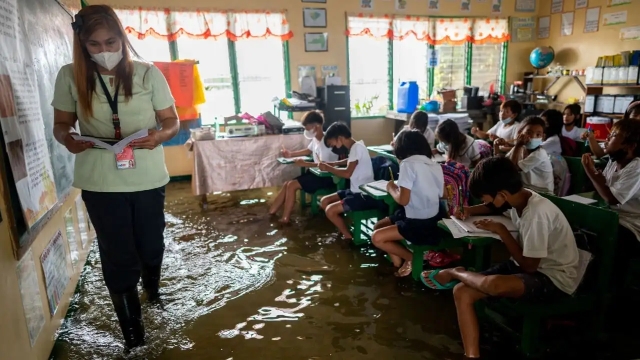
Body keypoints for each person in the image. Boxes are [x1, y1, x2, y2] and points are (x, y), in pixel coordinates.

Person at [51, 5, 179, 350]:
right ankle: (134, 340)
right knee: (118, 255)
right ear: (82, 45)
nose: (105, 50)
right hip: (100, 181)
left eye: (111, 41)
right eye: (94, 45)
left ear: (122, 37)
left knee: (151, 245)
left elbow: (172, 121)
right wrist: (68, 139)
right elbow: (61, 125)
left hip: (148, 177)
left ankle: (153, 291)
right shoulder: (70, 76)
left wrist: (158, 137)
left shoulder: (147, 73)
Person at [420, 157, 579, 359]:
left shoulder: (536, 213)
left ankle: (456, 272)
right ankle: (472, 355)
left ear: (502, 194)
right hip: (526, 266)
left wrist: (502, 231)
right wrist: (469, 210)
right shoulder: (518, 199)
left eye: (485, 198)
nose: (485, 203)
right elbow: (495, 207)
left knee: (492, 284)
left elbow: (530, 266)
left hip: (554, 278)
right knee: (462, 292)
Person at [371, 130, 444, 277]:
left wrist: (391, 188)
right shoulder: (434, 164)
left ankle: (411, 258)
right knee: (379, 225)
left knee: (376, 237)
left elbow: (403, 200)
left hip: (418, 224)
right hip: (433, 219)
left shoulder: (407, 164)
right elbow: (441, 194)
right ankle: (398, 264)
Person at [269, 111, 338, 223]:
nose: (306, 130)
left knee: (291, 185)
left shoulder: (327, 142)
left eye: (307, 127)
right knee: (287, 183)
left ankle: (285, 219)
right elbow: (308, 150)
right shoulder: (316, 138)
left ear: (317, 126)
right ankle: (272, 212)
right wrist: (291, 154)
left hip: (326, 177)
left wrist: (306, 164)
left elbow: (326, 165)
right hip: (315, 173)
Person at [582, 119, 640, 245]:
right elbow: (605, 186)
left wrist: (591, 173)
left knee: (594, 237)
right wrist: (598, 177)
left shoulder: (637, 168)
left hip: (632, 225)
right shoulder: (613, 161)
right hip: (613, 216)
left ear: (630, 146)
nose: (607, 137)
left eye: (613, 135)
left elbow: (612, 198)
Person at [319, 123, 379, 241]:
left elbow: (347, 173)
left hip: (363, 195)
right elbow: (351, 161)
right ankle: (343, 227)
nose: (334, 146)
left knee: (330, 210)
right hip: (355, 190)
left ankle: (347, 236)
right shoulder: (357, 145)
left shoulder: (356, 148)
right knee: (324, 201)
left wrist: (328, 168)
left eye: (333, 143)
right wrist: (334, 164)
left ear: (340, 137)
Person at [500, 116, 554, 194]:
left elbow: (511, 170)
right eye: (528, 133)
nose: (533, 137)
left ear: (543, 137)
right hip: (526, 190)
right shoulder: (520, 149)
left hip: (542, 194)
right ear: (520, 133)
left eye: (538, 134)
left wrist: (518, 145)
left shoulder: (539, 154)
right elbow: (504, 164)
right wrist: (496, 146)